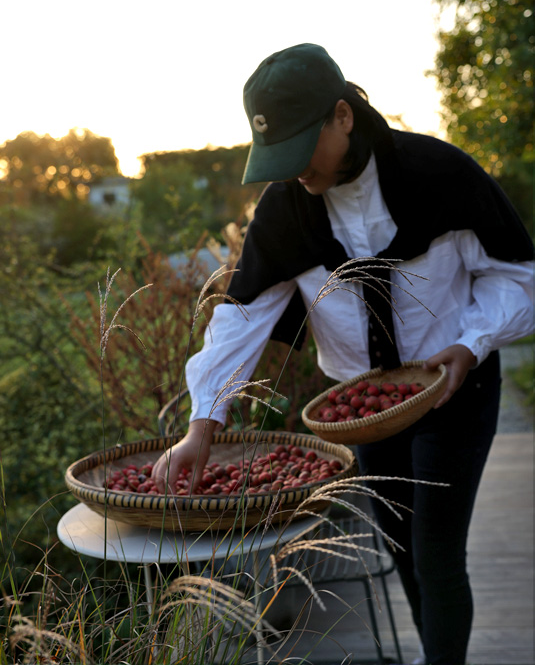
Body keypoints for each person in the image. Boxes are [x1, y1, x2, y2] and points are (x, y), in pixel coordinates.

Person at [153, 44, 534, 664]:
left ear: (343, 117)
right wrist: (204, 423)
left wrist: (470, 342)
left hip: (457, 386)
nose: (294, 169)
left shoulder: (441, 174)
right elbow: (242, 317)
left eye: (302, 147)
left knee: (437, 549)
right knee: (402, 546)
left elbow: (513, 275)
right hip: (361, 409)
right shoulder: (285, 210)